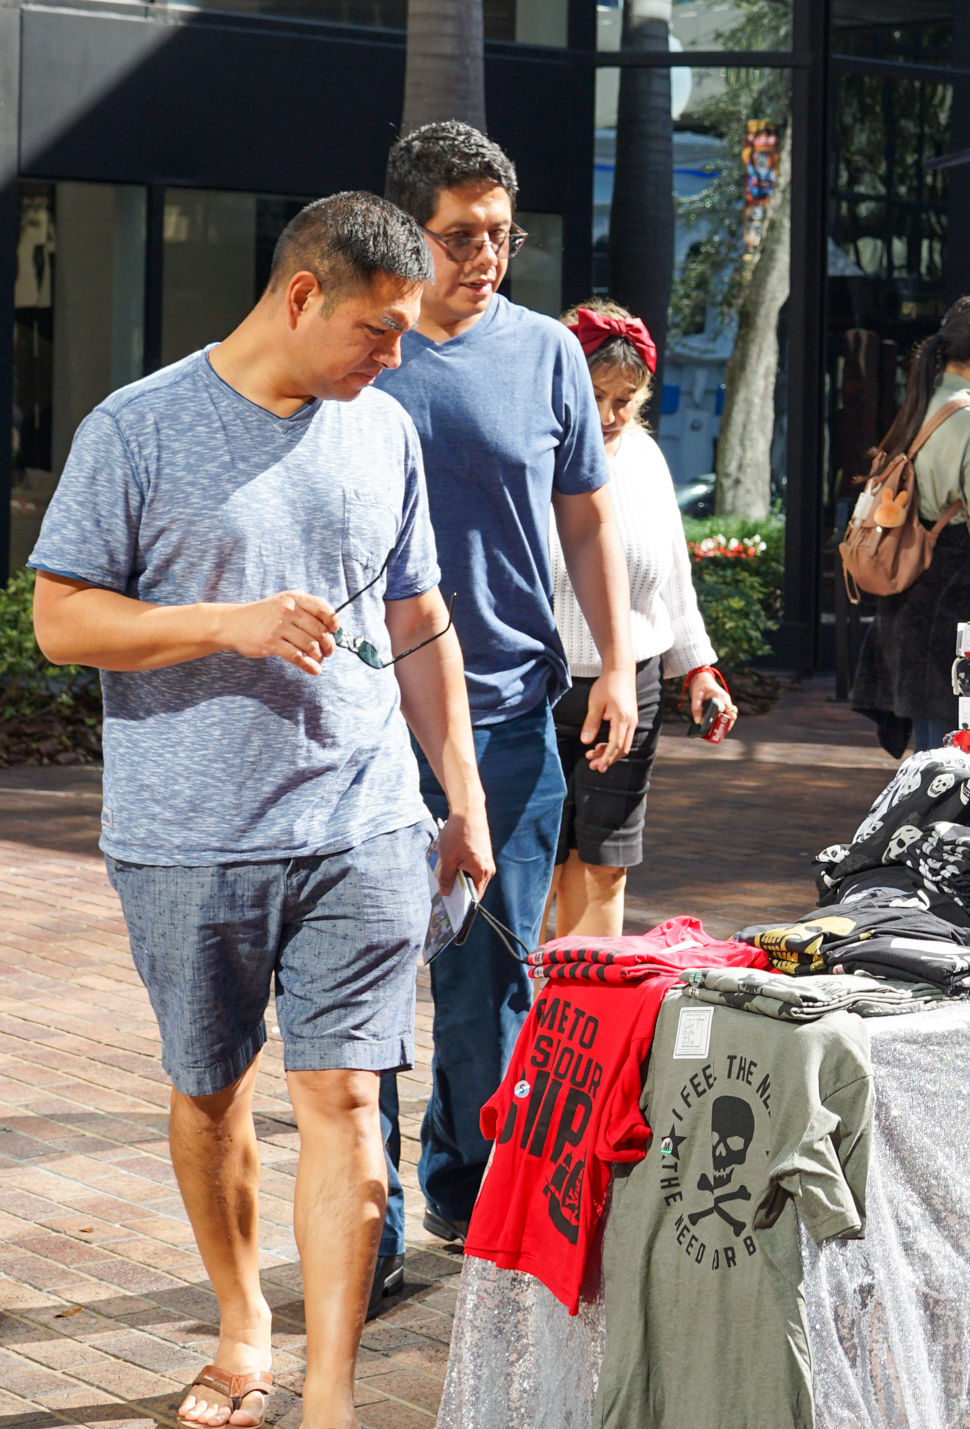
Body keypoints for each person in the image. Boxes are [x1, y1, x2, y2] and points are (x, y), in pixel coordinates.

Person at [26, 192, 494, 1429]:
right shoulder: (137, 427)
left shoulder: (383, 429)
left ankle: (329, 1392)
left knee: (346, 1095)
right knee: (213, 1093)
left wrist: (461, 794)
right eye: (378, 330)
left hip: (364, 821)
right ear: (300, 296)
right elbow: (61, 620)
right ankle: (243, 1324)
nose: (394, 356)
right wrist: (227, 623)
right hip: (189, 834)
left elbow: (417, 619)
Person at [377, 123, 638, 1253]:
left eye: (500, 234)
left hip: (512, 716)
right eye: (460, 236)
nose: (485, 255)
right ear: (407, 233)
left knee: (492, 984)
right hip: (371, 722)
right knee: (370, 982)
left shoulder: (545, 356)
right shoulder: (366, 349)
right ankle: (370, 1232)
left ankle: (469, 1183)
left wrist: (615, 662)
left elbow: (586, 515)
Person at [547, 299, 734, 937]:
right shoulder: (530, 453)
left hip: (634, 685)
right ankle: (525, 996)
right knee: (534, 862)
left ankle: (584, 998)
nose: (607, 415)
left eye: (624, 400)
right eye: (594, 395)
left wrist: (699, 668)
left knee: (606, 861)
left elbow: (673, 576)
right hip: (539, 685)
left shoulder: (648, 458)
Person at [850, 292, 970, 754]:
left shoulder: (928, 401)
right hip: (956, 615)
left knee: (933, 762)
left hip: (911, 610)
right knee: (967, 765)